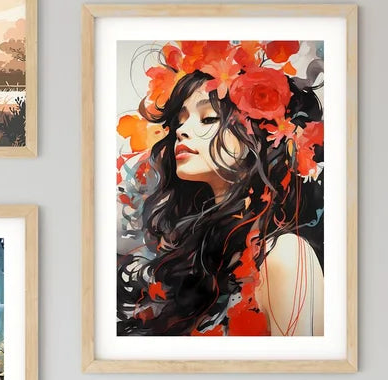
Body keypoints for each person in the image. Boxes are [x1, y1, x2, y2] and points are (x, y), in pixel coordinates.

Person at [117, 41, 325, 337]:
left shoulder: (283, 255)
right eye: (180, 121)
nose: (182, 131)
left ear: (257, 136)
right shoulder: (195, 250)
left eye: (209, 117)